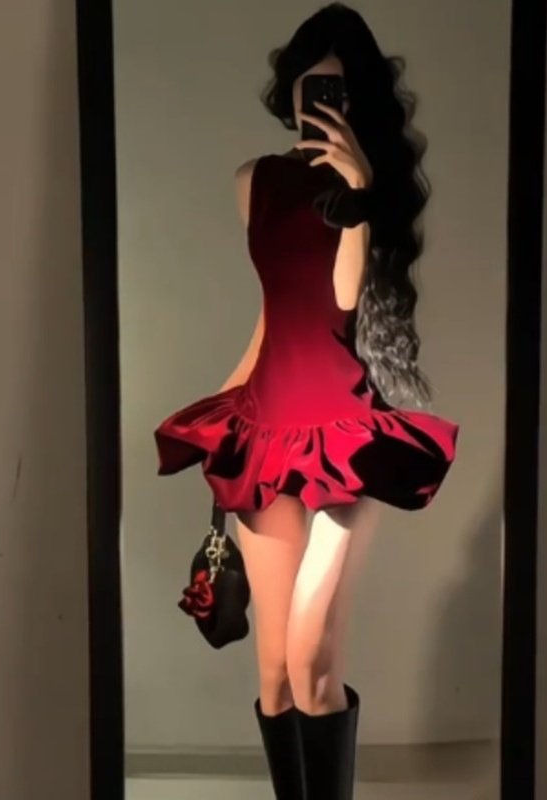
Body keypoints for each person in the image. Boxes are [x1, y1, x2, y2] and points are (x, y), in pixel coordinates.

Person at [154, 4, 459, 798]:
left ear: (361, 100)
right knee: (273, 672)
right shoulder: (253, 181)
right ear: (290, 88)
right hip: (265, 420)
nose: (324, 98)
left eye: (341, 88)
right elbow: (276, 312)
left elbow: (343, 302)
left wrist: (358, 189)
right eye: (312, 83)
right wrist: (217, 418)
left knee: (312, 659)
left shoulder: (375, 190)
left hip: (344, 428)